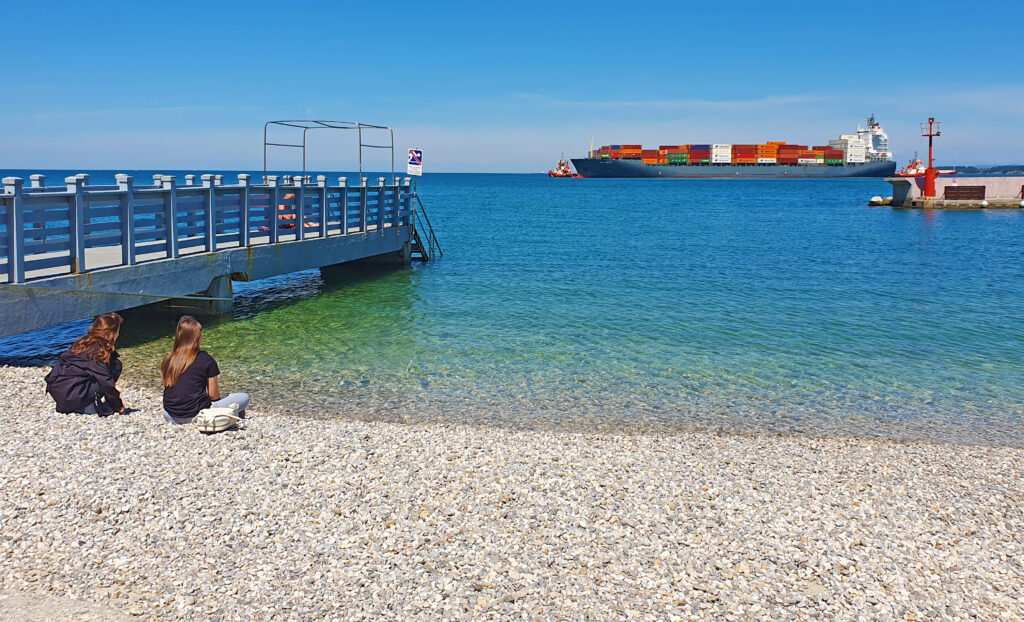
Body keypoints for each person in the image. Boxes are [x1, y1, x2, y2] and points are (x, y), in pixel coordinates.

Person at [161, 315, 249, 424]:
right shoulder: (206, 360)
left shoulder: (169, 359)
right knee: (244, 397)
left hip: (170, 414)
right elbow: (213, 396)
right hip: (198, 415)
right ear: (197, 338)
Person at [45, 312, 126, 415]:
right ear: (111, 334)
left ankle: (81, 403)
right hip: (73, 396)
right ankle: (88, 406)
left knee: (98, 372)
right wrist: (118, 405)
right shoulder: (99, 350)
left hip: (60, 393)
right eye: (118, 331)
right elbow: (106, 381)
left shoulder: (83, 342)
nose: (118, 334)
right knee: (116, 366)